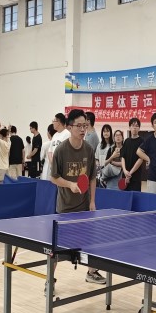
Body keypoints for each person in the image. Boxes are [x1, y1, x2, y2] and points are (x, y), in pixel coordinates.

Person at [50, 109, 105, 285]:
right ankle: (49, 281)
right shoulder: (61, 150)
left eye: (85, 126)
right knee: (57, 248)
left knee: (91, 241)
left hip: (84, 206)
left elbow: (92, 177)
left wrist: (92, 201)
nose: (83, 129)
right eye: (79, 126)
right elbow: (54, 178)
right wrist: (70, 184)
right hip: (65, 207)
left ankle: (91, 272)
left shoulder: (88, 150)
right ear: (69, 127)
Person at [121, 118, 145, 192]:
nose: (134, 127)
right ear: (129, 127)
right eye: (132, 125)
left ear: (139, 128)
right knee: (124, 196)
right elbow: (123, 157)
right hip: (125, 175)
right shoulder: (126, 141)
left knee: (135, 196)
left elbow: (141, 159)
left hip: (135, 176)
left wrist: (130, 173)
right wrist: (125, 170)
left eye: (137, 126)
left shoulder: (142, 141)